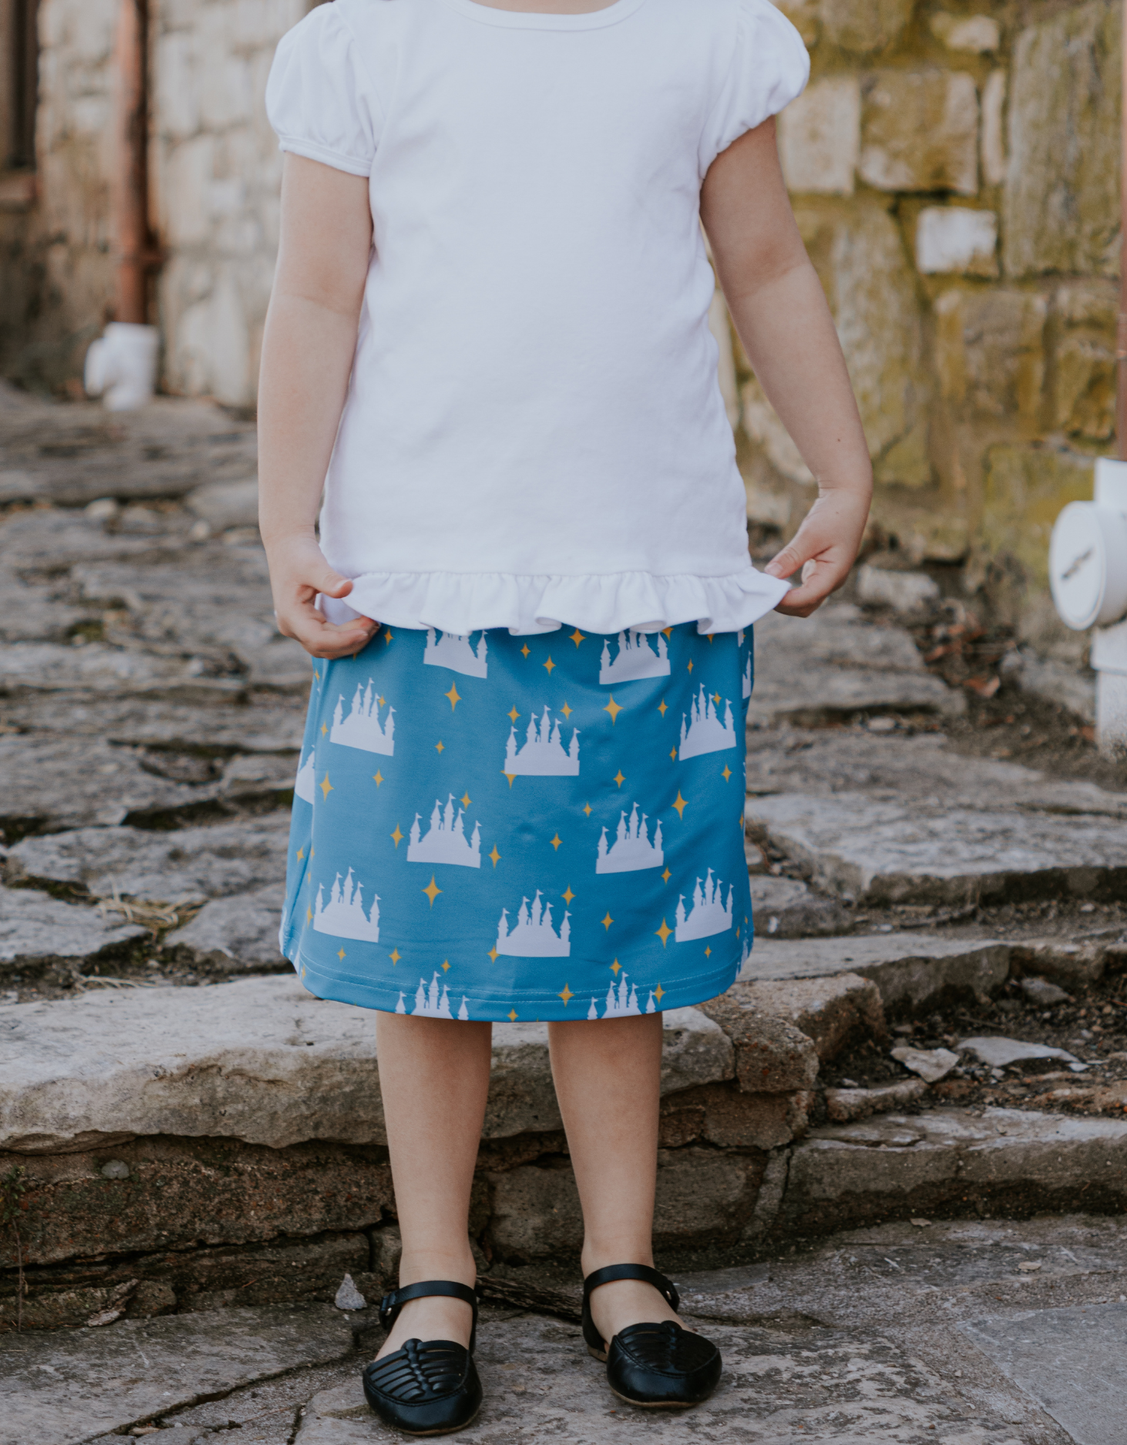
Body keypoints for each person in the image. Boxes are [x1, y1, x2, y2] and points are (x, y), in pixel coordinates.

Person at [258, 0, 872, 1432]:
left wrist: (838, 470)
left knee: (616, 935)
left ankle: (624, 1263)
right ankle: (434, 1273)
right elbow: (317, 291)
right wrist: (289, 522)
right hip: (424, 567)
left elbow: (765, 262)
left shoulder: (707, 38)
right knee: (428, 933)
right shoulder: (364, 45)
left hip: (636, 561)